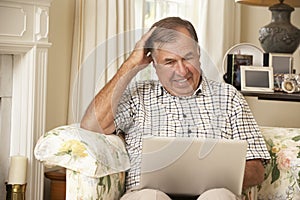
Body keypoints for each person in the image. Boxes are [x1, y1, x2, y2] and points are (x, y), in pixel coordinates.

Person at [80, 17, 270, 200]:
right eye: (169, 62)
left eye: (187, 58)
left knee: (217, 196)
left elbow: (256, 169)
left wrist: (209, 176)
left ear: (198, 53)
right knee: (149, 197)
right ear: (153, 63)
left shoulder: (229, 97)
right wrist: (131, 64)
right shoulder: (137, 95)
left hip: (213, 195)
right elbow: (91, 125)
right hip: (147, 194)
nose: (182, 71)